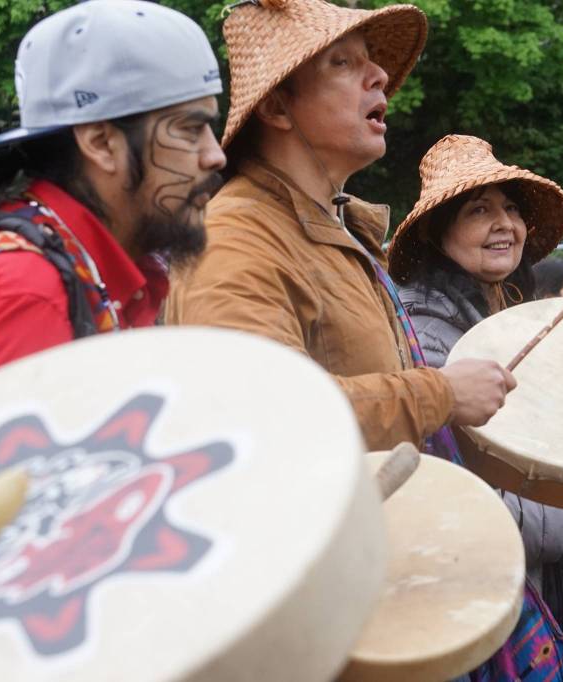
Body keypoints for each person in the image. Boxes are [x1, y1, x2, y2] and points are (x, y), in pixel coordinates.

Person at [165, 0, 515, 456]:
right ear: (276, 107)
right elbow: (256, 412)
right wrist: (440, 394)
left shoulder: (343, 228)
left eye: (369, 57)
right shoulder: (236, 238)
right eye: (343, 62)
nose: (380, 76)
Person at [0, 0, 226, 424]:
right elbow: (13, 489)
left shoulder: (77, 270)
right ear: (100, 143)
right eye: (190, 130)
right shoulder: (22, 292)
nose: (215, 154)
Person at [387, 134, 563, 681]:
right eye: (478, 210)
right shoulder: (427, 338)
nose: (504, 223)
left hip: (531, 576)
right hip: (476, 589)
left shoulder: (510, 315)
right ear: (440, 233)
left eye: (511, 207)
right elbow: (451, 488)